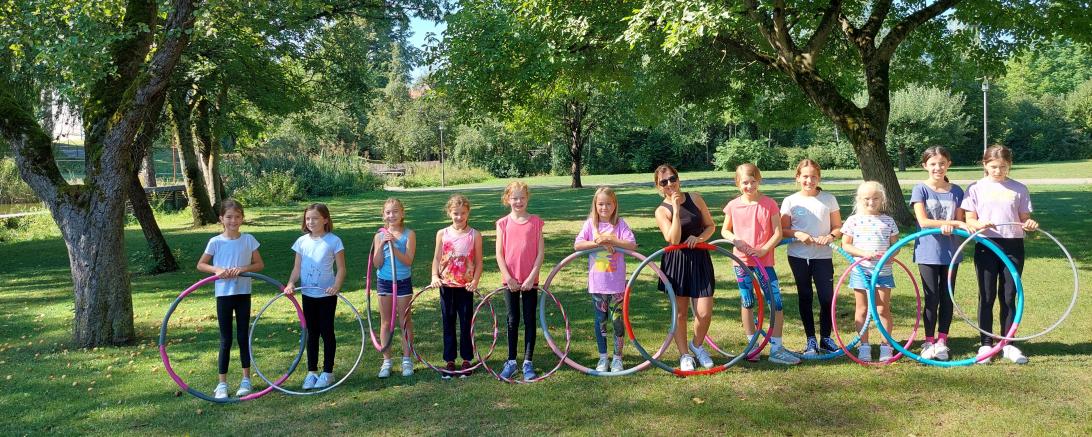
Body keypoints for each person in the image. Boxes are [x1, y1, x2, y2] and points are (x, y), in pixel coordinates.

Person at [961, 145, 1038, 364]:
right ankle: (985, 344)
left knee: (1008, 295)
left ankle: (1008, 343)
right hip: (986, 244)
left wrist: (1029, 224)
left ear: (1009, 165)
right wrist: (979, 224)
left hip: (1013, 245)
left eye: (1003, 167)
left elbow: (1024, 219)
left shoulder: (1019, 188)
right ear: (985, 164)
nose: (998, 171)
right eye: (993, 166)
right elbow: (969, 220)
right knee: (986, 295)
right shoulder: (975, 188)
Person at [720, 164, 800, 365]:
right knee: (747, 302)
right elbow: (724, 231)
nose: (749, 186)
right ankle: (752, 345)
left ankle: (776, 348)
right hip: (742, 262)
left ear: (759, 181)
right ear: (738, 183)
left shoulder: (769, 204)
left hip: (764, 262)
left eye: (753, 181)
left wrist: (764, 250)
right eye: (745, 182)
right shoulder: (733, 205)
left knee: (776, 303)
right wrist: (736, 240)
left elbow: (778, 233)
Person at [196, 199, 265, 399]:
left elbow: (259, 264)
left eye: (237, 217)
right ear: (221, 219)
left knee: (243, 337)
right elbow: (201, 265)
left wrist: (243, 269)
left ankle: (246, 379)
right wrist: (217, 269)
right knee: (226, 339)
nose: (233, 220)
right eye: (229, 217)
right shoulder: (215, 242)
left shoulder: (249, 239)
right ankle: (222, 384)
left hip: (243, 294)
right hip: (224, 295)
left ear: (242, 218)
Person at [652, 164, 718, 371]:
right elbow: (673, 239)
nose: (670, 184)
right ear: (659, 187)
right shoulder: (661, 211)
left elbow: (711, 226)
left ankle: (697, 346)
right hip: (676, 262)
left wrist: (699, 238)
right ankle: (684, 355)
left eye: (673, 179)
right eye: (664, 182)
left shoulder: (696, 198)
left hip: (699, 258)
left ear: (678, 179)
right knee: (680, 313)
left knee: (704, 312)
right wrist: (676, 207)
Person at [910, 146, 967, 361]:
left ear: (948, 164)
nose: (938, 167)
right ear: (925, 166)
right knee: (931, 296)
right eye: (933, 164)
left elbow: (961, 222)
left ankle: (942, 340)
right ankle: (928, 341)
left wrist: (956, 224)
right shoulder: (920, 189)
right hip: (927, 252)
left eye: (942, 163)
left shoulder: (957, 191)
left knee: (947, 296)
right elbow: (923, 222)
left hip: (951, 252)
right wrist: (949, 222)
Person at [781, 159, 843, 356]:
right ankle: (810, 340)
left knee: (826, 298)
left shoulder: (829, 198)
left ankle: (825, 338)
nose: (809, 180)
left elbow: (838, 227)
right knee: (805, 296)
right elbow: (783, 230)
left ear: (819, 178)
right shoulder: (790, 201)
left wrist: (831, 236)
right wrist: (797, 234)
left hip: (823, 256)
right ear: (798, 178)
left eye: (813, 176)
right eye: (805, 176)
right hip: (798, 256)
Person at [573, 187, 638, 372]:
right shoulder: (589, 224)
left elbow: (632, 245)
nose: (604, 207)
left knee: (618, 321)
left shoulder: (620, 224)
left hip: (616, 284)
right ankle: (603, 358)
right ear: (595, 205)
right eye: (601, 204)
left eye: (608, 204)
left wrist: (611, 239)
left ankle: (617, 358)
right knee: (600, 320)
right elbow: (577, 245)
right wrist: (597, 242)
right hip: (598, 284)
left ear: (614, 205)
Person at [285, 203, 347, 389]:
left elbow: (342, 268)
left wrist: (336, 286)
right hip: (307, 294)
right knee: (311, 333)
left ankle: (328, 372)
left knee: (327, 331)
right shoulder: (302, 242)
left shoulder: (334, 241)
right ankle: (312, 372)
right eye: (308, 218)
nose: (311, 221)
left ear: (325, 220)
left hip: (327, 295)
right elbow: (297, 268)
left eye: (315, 218)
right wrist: (291, 283)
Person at [840, 181, 900, 362]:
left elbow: (896, 245)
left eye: (875, 198)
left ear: (882, 199)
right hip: (861, 271)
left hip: (883, 271)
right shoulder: (853, 220)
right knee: (862, 309)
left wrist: (890, 255)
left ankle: (885, 345)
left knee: (882, 308)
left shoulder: (888, 221)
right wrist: (864, 254)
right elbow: (845, 245)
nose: (871, 202)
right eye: (867, 198)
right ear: (860, 199)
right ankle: (864, 345)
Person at [495, 181, 545, 380]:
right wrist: (508, 277)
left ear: (527, 198)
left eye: (522, 197)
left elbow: (540, 253)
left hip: (529, 281)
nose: (518, 201)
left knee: (529, 319)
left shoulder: (535, 222)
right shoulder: (503, 223)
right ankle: (511, 361)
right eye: (514, 198)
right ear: (508, 199)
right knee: (512, 319)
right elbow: (499, 254)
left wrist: (532, 277)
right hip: (511, 281)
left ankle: (528, 362)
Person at [430, 194, 483, 379]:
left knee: (466, 322)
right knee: (448, 321)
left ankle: (467, 359)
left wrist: (475, 281)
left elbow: (479, 262)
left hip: (465, 287)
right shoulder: (442, 234)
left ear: (468, 213)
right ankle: (450, 361)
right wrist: (434, 276)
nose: (459, 217)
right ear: (449, 213)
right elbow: (437, 258)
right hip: (446, 285)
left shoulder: (474, 235)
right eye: (455, 213)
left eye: (462, 213)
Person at [371, 198, 417, 378]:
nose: (392, 215)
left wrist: (393, 245)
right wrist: (382, 244)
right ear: (383, 215)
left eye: (395, 211)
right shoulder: (379, 236)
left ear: (402, 213)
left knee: (404, 321)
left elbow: (408, 260)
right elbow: (377, 263)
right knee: (385, 322)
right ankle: (387, 361)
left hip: (403, 281)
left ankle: (407, 360)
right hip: (384, 282)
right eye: (388, 212)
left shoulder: (409, 234)